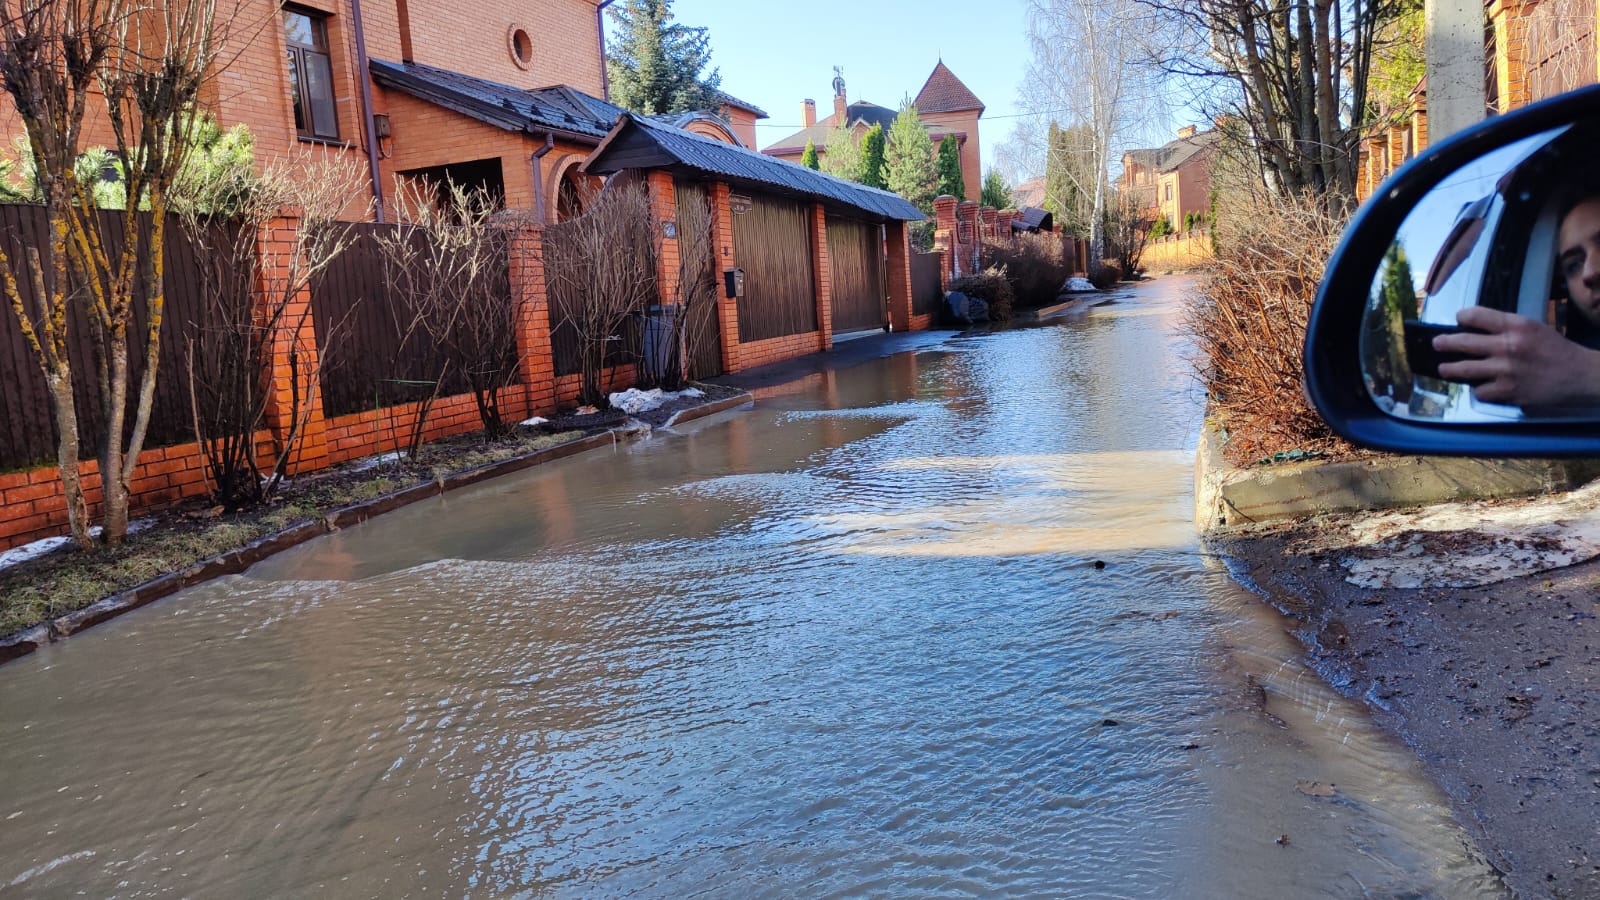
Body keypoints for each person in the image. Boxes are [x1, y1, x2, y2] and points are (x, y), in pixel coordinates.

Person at [1434, 190, 1600, 406]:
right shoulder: (1548, 381)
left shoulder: (1563, 373)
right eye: (1573, 265)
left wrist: (1582, 371)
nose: (1590, 272)